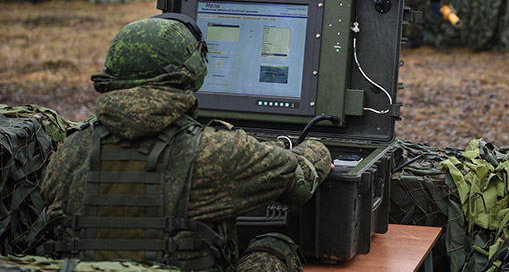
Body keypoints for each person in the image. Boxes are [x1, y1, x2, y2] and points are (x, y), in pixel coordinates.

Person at [40, 15, 332, 271]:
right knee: (275, 249)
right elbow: (298, 181)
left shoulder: (71, 150)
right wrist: (317, 150)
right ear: (194, 71)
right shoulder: (214, 151)